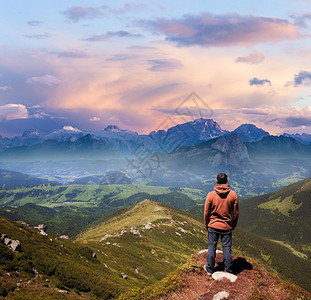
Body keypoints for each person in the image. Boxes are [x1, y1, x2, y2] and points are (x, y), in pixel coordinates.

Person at [203, 173, 239, 276]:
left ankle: (209, 269)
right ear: (226, 181)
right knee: (226, 248)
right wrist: (233, 224)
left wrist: (207, 223)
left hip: (213, 225)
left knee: (211, 247)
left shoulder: (211, 195)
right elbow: (235, 213)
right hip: (227, 226)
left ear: (217, 181)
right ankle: (228, 270)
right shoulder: (233, 195)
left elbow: (206, 212)